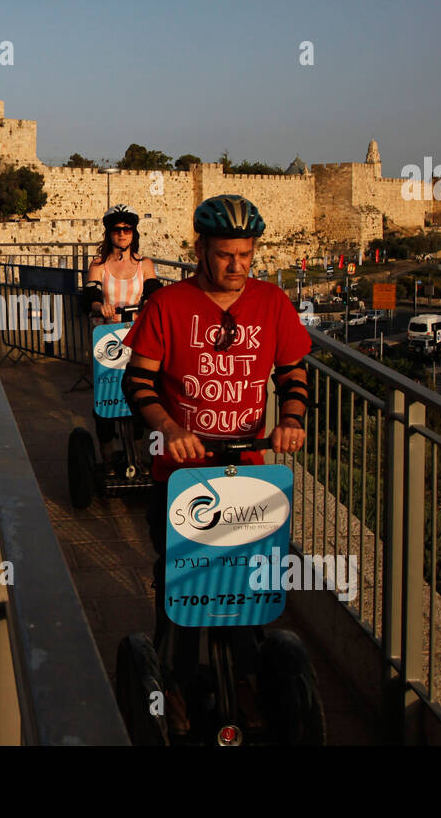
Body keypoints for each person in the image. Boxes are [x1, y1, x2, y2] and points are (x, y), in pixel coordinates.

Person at [121, 193, 310, 733]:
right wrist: (170, 429)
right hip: (181, 472)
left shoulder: (272, 302)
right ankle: (176, 682)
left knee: (246, 579)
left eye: (246, 255)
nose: (237, 266)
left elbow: (292, 373)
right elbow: (138, 381)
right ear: (200, 248)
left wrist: (291, 419)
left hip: (248, 471)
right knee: (182, 580)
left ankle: (248, 679)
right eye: (226, 254)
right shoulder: (169, 304)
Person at [80, 204, 160, 470]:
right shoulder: (99, 265)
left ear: (134, 233)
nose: (122, 234)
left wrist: (149, 301)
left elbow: (153, 289)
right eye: (117, 230)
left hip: (137, 337)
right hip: (108, 338)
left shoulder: (144, 264)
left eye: (127, 229)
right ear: (109, 233)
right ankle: (107, 455)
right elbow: (90, 293)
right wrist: (98, 305)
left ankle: (137, 452)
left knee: (138, 393)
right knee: (106, 396)